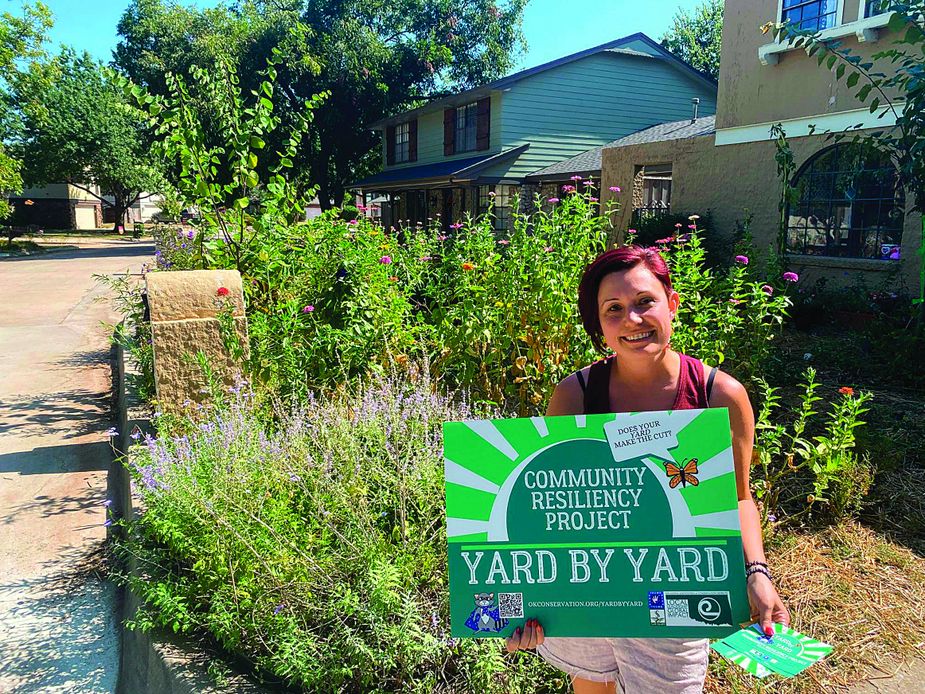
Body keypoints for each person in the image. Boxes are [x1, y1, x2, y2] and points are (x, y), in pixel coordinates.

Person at [505, 245, 790, 694]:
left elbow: (739, 498)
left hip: (672, 598)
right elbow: (550, 507)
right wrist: (520, 603)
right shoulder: (574, 396)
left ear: (672, 303)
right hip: (587, 593)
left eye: (644, 302)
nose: (632, 320)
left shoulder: (720, 396)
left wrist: (756, 572)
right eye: (613, 309)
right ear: (599, 325)